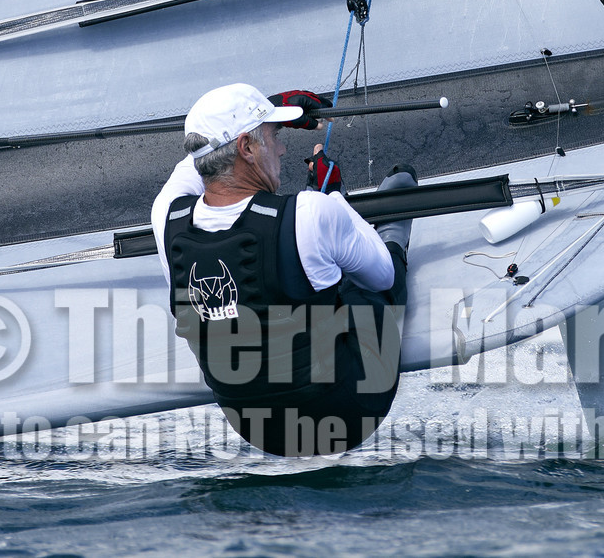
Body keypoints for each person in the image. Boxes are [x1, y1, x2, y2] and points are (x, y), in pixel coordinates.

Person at [150, 82, 411, 457]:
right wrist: (333, 196)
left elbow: (197, 156)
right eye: (273, 136)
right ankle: (394, 234)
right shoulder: (312, 211)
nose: (283, 147)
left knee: (307, 280)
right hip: (350, 413)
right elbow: (381, 277)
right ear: (247, 148)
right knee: (371, 287)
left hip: (256, 429)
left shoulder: (167, 216)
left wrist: (264, 111)